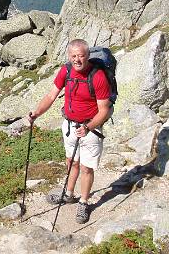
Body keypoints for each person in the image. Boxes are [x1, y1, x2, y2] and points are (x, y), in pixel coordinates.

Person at [27, 39, 112, 224]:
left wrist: (88, 127)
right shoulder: (66, 71)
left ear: (88, 56)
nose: (77, 60)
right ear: (68, 56)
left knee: (86, 167)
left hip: (91, 128)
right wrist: (37, 113)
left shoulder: (98, 76)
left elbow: (104, 109)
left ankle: (84, 201)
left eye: (81, 56)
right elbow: (51, 95)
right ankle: (68, 194)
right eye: (73, 56)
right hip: (70, 125)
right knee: (71, 162)